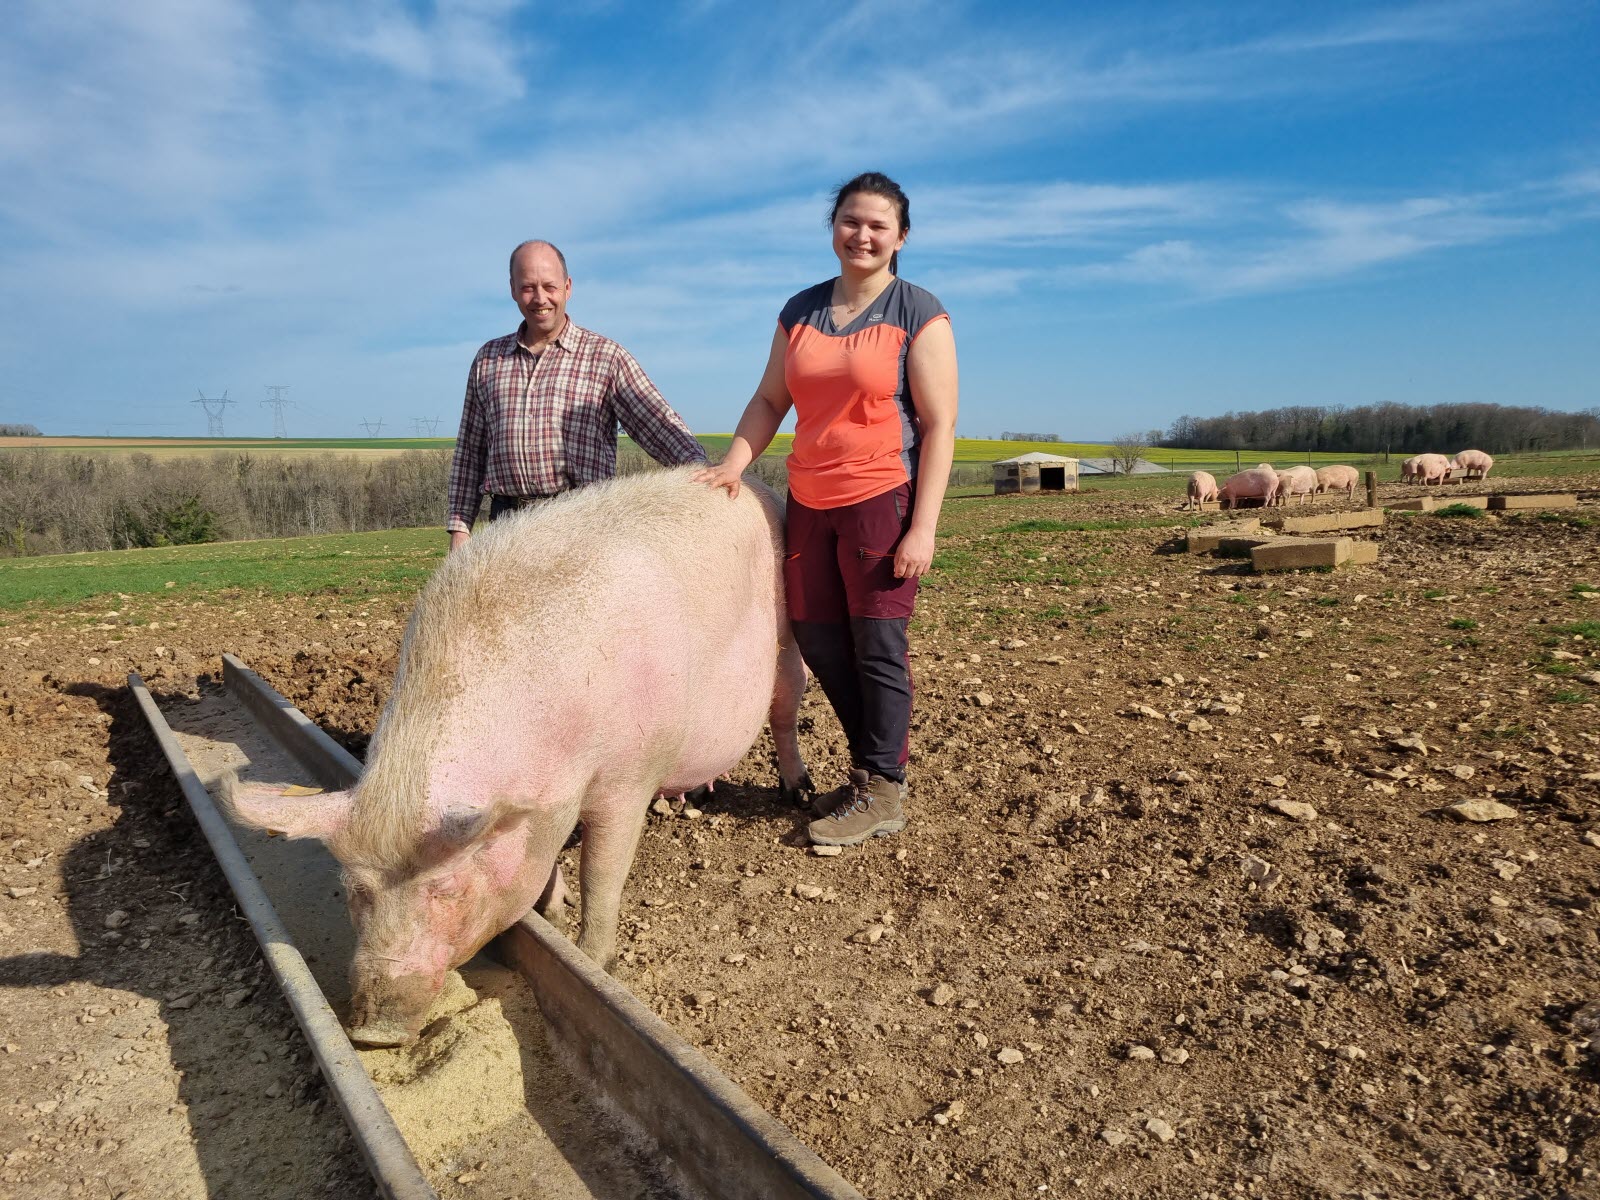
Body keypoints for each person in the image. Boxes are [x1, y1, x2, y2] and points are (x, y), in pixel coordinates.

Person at [695, 171, 958, 847]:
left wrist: (922, 526)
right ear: (833, 228)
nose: (862, 235)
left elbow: (940, 425)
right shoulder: (802, 310)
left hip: (882, 498)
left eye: (877, 224)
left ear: (901, 236)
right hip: (811, 499)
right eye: (850, 221)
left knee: (877, 647)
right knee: (816, 636)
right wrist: (733, 464)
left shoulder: (916, 311)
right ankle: (876, 770)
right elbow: (769, 401)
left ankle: (881, 788)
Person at [446, 240, 706, 550]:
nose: (540, 298)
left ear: (567, 287)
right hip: (505, 529)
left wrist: (705, 476)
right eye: (528, 287)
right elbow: (470, 452)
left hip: (582, 522)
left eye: (549, 286)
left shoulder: (606, 357)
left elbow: (657, 424)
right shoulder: (489, 360)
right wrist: (460, 529)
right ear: (513, 289)